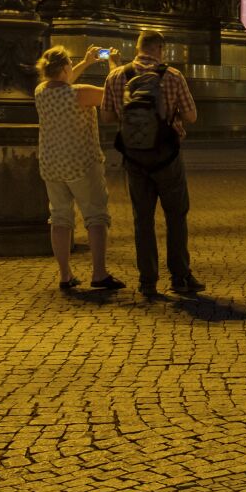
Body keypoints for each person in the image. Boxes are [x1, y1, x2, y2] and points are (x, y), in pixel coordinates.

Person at [103, 30, 202, 297]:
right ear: (160, 49)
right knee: (176, 217)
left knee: (142, 220)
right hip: (168, 157)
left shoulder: (116, 76)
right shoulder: (172, 75)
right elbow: (191, 116)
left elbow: (109, 116)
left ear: (137, 48)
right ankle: (180, 278)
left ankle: (148, 281)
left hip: (134, 159)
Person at [35, 45, 124, 292]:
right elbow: (113, 94)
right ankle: (99, 273)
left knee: (60, 218)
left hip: (52, 165)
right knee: (96, 216)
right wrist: (112, 64)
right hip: (82, 164)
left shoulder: (41, 91)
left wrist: (85, 62)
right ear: (65, 68)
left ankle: (65, 275)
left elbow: (62, 82)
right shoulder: (80, 93)